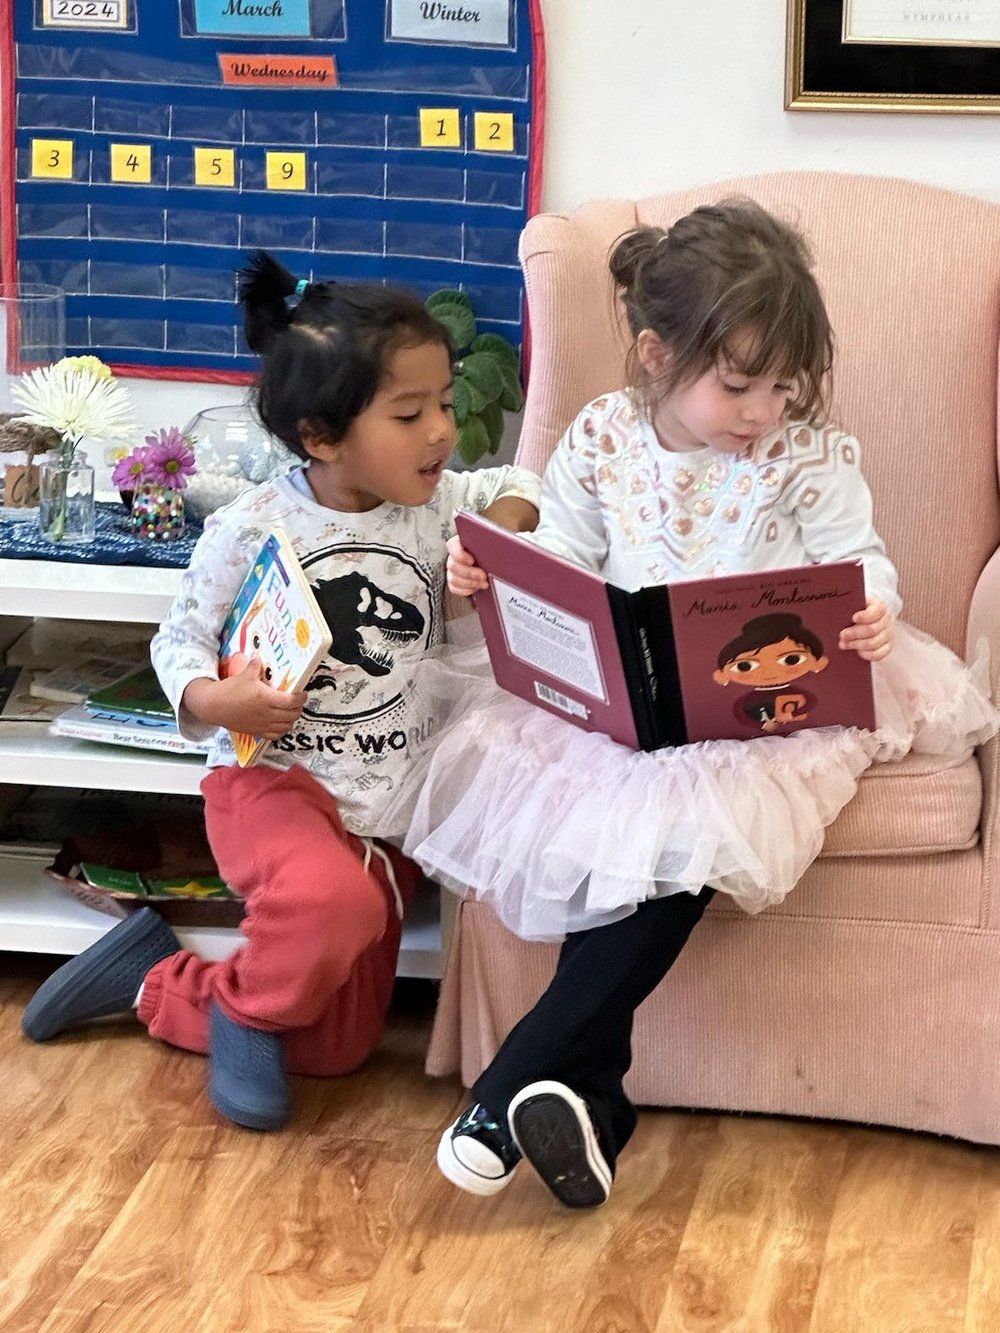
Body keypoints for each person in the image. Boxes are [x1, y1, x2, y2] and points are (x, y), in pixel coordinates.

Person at [385, 199, 999, 1207]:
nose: (762, 410)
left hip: (768, 706)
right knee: (623, 826)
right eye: (737, 384)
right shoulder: (601, 439)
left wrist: (871, 612)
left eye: (782, 385)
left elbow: (857, 559)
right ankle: (595, 1105)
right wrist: (496, 575)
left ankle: (507, 1085)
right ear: (655, 352)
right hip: (627, 699)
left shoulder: (804, 453)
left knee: (683, 840)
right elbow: (564, 556)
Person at [22, 252, 540, 1133]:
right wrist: (218, 703)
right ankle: (252, 1012)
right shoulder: (250, 524)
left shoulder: (439, 503)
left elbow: (522, 486)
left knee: (336, 1047)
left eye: (446, 405)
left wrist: (501, 531)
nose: (442, 433)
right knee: (324, 908)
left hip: (385, 810)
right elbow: (177, 640)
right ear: (321, 436)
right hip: (274, 784)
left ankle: (156, 975)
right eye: (410, 414)